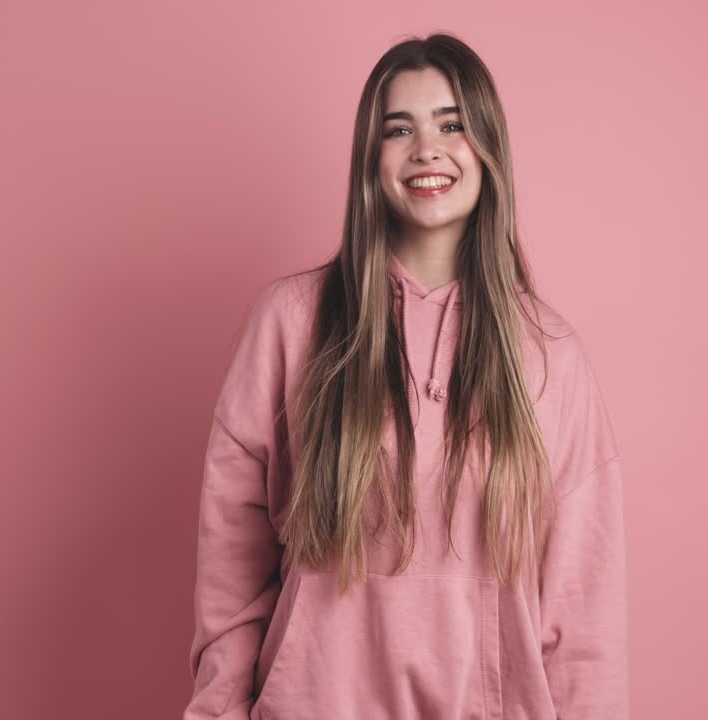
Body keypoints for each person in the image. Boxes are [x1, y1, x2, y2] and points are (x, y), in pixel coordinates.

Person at [184, 32, 628, 720]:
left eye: (452, 124)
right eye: (400, 128)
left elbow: (584, 614)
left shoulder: (550, 356)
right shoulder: (289, 325)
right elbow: (232, 567)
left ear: (487, 149)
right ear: (372, 157)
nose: (427, 148)